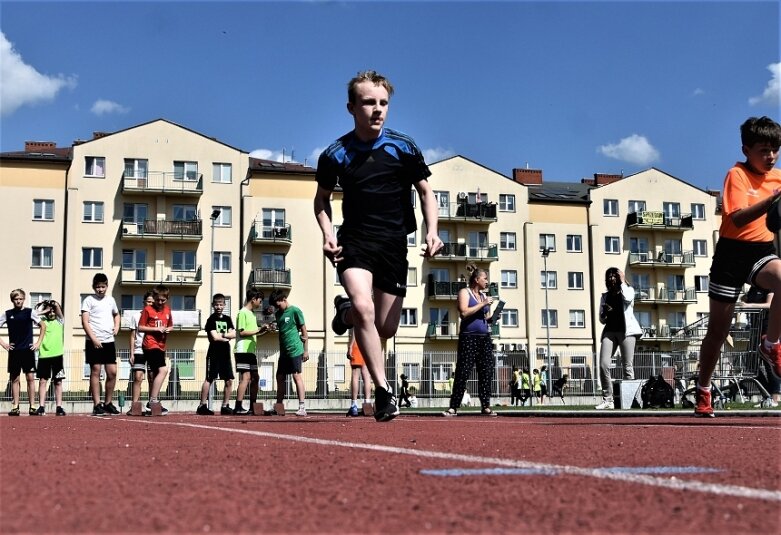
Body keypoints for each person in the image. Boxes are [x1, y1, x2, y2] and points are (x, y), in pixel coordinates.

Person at [314, 70, 443, 422]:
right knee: (364, 307)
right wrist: (328, 233)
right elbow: (321, 200)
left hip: (394, 243)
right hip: (354, 242)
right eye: (369, 102)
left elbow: (426, 191)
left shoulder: (403, 147)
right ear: (351, 107)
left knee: (386, 328)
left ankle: (345, 313)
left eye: (383, 103)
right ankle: (384, 392)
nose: (377, 109)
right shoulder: (335, 154)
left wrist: (432, 231)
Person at [695, 116, 781, 417]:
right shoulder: (737, 175)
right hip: (731, 254)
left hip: (761, 250)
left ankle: (771, 345)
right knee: (718, 331)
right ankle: (704, 389)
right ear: (746, 149)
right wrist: (773, 201)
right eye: (763, 150)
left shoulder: (779, 178)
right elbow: (738, 218)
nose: (770, 156)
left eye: (775, 150)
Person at [442, 264, 498, 417]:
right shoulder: (464, 292)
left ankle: (485, 405)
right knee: (463, 371)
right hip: (468, 338)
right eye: (485, 278)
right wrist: (483, 304)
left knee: (486, 371)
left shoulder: (484, 296)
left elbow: (486, 318)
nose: (487, 281)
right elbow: (464, 313)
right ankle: (453, 407)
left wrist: (493, 318)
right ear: (476, 279)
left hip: (484, 338)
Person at [595, 267, 643, 410]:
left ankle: (629, 400)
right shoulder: (605, 296)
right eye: (609, 276)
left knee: (627, 366)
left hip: (626, 332)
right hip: (609, 331)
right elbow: (602, 319)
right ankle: (608, 399)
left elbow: (628, 299)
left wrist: (622, 281)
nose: (612, 278)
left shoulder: (628, 290)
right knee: (603, 364)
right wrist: (603, 315)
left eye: (614, 275)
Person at [81, 273, 121, 416]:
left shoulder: (111, 300)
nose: (100, 289)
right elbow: (85, 321)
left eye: (103, 287)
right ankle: (97, 404)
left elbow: (116, 314)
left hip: (109, 340)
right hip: (94, 341)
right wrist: (94, 339)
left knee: (112, 372)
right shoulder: (88, 300)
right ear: (93, 287)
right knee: (96, 370)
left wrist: (117, 326)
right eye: (98, 287)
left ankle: (108, 403)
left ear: (106, 286)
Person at [0, 289, 44, 416]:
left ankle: (33, 406)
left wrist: (38, 343)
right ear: (12, 300)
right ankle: (15, 407)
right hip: (14, 351)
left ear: (24, 299)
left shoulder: (30, 312)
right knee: (15, 378)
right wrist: (4, 344)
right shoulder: (7, 314)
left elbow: (43, 326)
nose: (18, 301)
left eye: (20, 299)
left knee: (30, 378)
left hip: (27, 350)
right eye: (16, 299)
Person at [268, 290, 309, 416]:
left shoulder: (295, 311)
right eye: (275, 306)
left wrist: (306, 350)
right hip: (284, 352)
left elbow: (304, 331)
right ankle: (279, 406)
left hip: (295, 350)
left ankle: (302, 407)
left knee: (296, 376)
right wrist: (274, 327)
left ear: (284, 299)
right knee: (279, 377)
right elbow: (282, 329)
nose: (277, 307)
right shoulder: (278, 314)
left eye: (278, 305)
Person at [739, 286, 780, 408]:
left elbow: (770, 305)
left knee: (769, 364)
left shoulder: (770, 286)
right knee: (750, 364)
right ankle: (767, 395)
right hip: (755, 329)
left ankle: (775, 397)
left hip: (768, 328)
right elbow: (745, 298)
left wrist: (748, 306)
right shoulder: (753, 288)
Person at [197, 293, 236, 416]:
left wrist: (223, 336)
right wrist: (226, 336)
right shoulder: (211, 320)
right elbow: (214, 337)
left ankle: (225, 405)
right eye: (216, 304)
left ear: (224, 305)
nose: (219, 306)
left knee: (229, 380)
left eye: (221, 304)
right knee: (209, 378)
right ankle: (202, 405)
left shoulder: (228, 319)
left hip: (225, 353)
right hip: (214, 353)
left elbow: (233, 334)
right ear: (213, 305)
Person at [233, 287, 269, 415]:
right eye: (260, 300)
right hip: (243, 350)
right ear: (253, 299)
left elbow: (253, 334)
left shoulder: (252, 314)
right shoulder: (242, 312)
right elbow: (242, 332)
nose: (260, 303)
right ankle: (238, 406)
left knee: (255, 377)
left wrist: (262, 331)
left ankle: (253, 406)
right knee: (246, 377)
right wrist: (259, 330)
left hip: (251, 351)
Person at [138, 284, 173, 415]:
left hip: (161, 345)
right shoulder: (148, 310)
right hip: (150, 344)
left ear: (167, 299)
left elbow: (171, 326)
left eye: (162, 300)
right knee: (163, 370)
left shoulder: (168, 310)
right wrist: (155, 329)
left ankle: (151, 402)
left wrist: (168, 330)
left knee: (154, 375)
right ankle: (153, 401)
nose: (159, 302)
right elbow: (140, 327)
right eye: (157, 300)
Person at [34, 299, 66, 416]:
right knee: (43, 381)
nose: (52, 313)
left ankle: (59, 407)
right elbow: (33, 314)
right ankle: (41, 407)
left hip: (57, 356)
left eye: (53, 311)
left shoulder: (60, 321)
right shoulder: (42, 321)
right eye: (49, 311)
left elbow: (57, 307)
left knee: (58, 381)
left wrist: (52, 304)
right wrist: (45, 309)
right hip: (44, 356)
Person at [128, 291, 154, 415]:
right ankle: (135, 405)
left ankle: (152, 405)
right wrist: (131, 353)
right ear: (144, 302)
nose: (150, 304)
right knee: (138, 377)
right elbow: (133, 336)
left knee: (152, 377)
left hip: (153, 349)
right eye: (148, 301)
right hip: (139, 350)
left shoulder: (157, 317)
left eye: (153, 302)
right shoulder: (135, 316)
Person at [346, 329, 372, 417]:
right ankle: (367, 404)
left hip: (358, 344)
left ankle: (354, 405)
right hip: (368, 345)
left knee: (355, 374)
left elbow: (355, 330)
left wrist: (350, 346)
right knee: (366, 375)